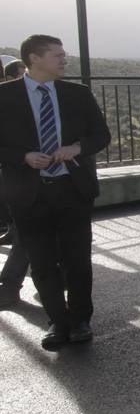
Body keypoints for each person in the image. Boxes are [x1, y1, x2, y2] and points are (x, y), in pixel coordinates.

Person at [0, 35, 110, 349]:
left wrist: (76, 147)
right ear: (34, 58)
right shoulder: (4, 97)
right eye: (57, 55)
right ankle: (57, 323)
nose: (64, 60)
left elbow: (100, 134)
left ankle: (80, 321)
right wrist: (22, 157)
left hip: (72, 189)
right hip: (28, 194)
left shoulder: (77, 93)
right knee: (42, 262)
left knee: (77, 260)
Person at [0, 54, 31, 308]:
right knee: (27, 234)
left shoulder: (65, 94)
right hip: (22, 177)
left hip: (55, 178)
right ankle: (10, 286)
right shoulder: (7, 98)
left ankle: (10, 286)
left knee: (31, 235)